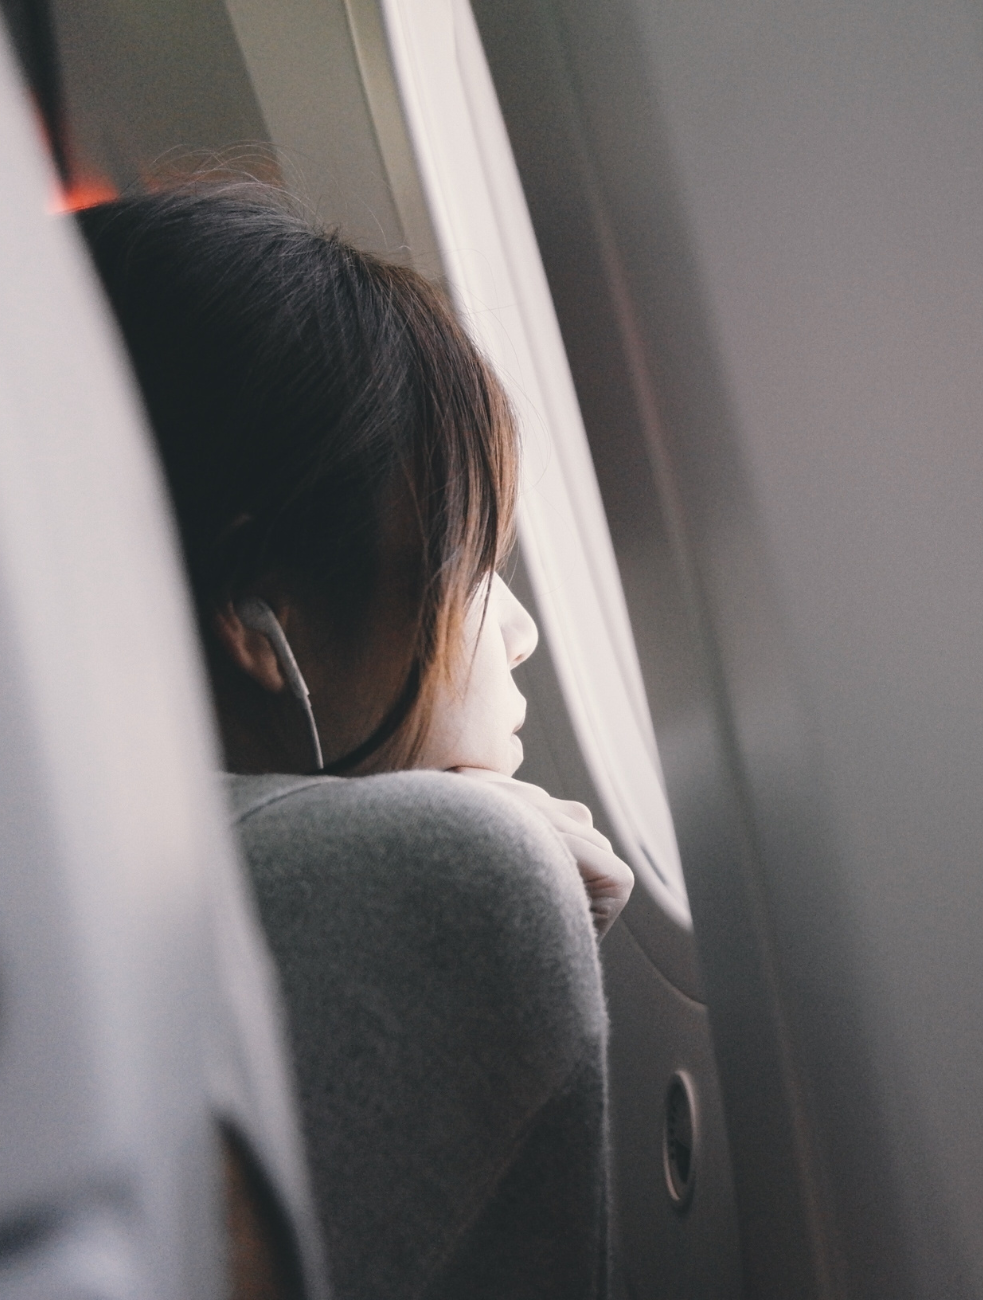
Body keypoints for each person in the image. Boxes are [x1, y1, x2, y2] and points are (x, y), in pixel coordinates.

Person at [78, 182, 636, 1300]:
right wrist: (467, 855)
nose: (519, 634)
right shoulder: (450, 875)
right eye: (472, 571)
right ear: (255, 612)